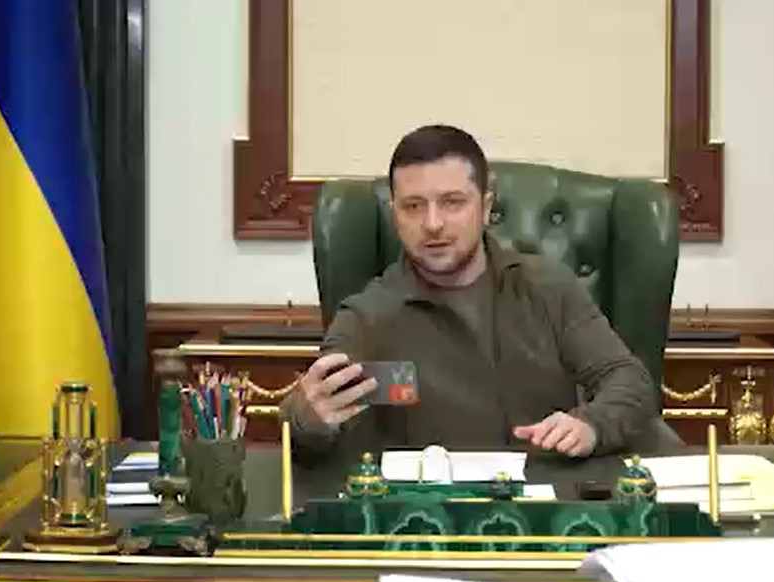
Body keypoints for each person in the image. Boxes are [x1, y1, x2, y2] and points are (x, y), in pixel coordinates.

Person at [286, 124, 668, 461]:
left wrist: (592, 425)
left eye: (452, 203)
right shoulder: (369, 315)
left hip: (547, 496)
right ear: (394, 213)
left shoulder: (548, 287)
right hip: (430, 508)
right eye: (413, 206)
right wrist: (309, 417)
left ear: (485, 208)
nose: (432, 224)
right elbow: (309, 412)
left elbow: (629, 381)